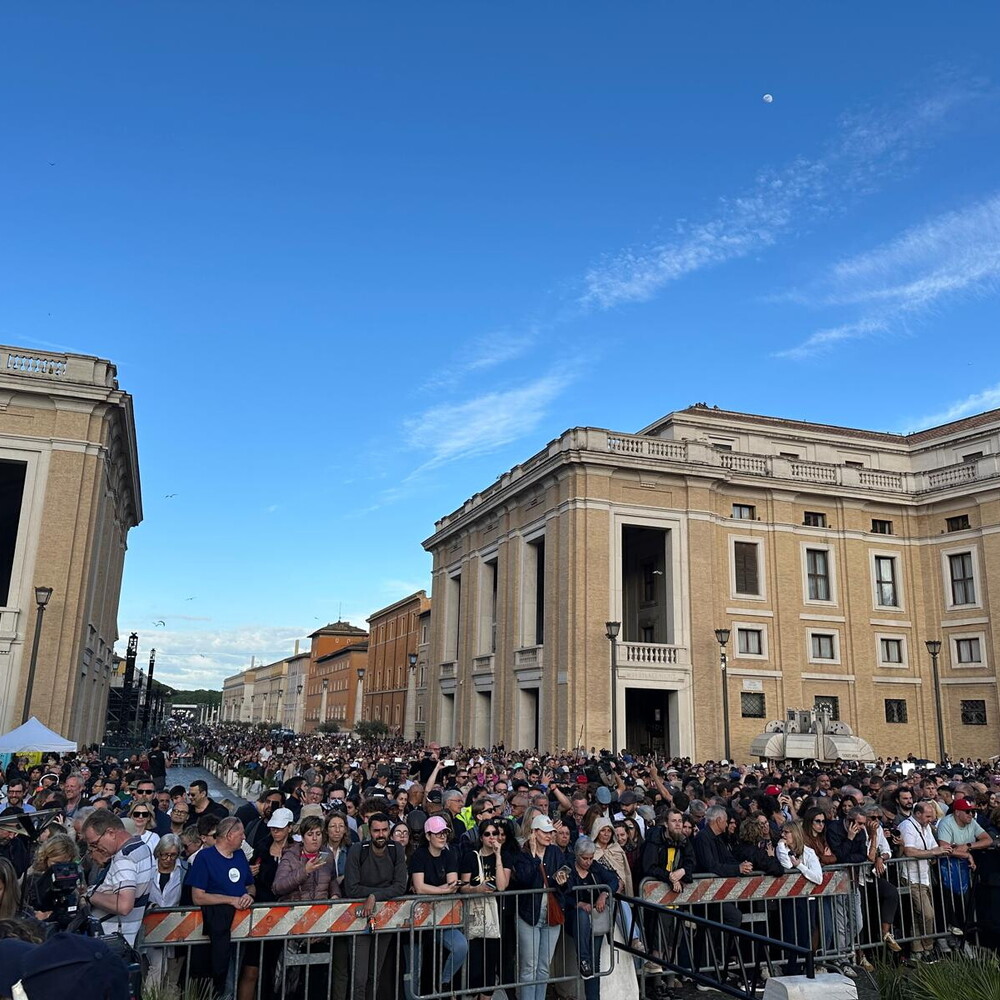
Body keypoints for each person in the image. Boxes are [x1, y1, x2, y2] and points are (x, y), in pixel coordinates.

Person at [185, 816, 255, 999]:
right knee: (218, 983)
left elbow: (250, 885)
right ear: (230, 835)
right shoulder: (205, 857)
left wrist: (249, 895)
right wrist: (230, 900)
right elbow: (198, 896)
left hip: (240, 929)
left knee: (231, 980)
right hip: (214, 931)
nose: (244, 837)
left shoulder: (240, 855)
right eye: (241, 833)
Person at [344, 812, 408, 1000]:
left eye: (384, 830)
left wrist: (374, 896)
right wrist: (373, 896)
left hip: (385, 917)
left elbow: (400, 886)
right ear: (369, 832)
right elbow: (351, 888)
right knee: (359, 977)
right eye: (376, 831)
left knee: (375, 975)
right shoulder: (358, 849)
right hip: (358, 917)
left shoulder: (396, 849)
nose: (380, 835)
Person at [407, 814, 468, 1000]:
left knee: (460, 946)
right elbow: (419, 887)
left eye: (445, 833)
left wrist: (435, 890)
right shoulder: (419, 856)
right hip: (421, 922)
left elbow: (451, 884)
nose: (442, 836)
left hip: (443, 918)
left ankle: (444, 982)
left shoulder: (449, 854)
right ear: (428, 836)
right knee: (417, 968)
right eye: (438, 833)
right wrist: (442, 890)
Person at [511, 814, 570, 1000]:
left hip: (551, 913)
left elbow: (566, 884)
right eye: (544, 832)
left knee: (544, 966)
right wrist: (535, 857)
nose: (549, 836)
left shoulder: (556, 853)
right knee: (529, 966)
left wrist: (562, 882)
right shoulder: (523, 854)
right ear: (534, 833)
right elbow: (524, 879)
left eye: (550, 832)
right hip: (529, 913)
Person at [80, 811, 154, 947]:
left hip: (110, 941)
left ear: (111, 833)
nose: (97, 849)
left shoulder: (124, 858)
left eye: (95, 843)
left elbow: (123, 905)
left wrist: (90, 894)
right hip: (123, 939)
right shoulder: (142, 847)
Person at [459, 817, 511, 1000]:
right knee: (475, 968)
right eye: (487, 834)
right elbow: (463, 886)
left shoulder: (504, 857)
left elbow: (502, 886)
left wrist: (498, 856)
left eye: (495, 834)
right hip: (475, 916)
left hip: (496, 919)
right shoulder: (471, 857)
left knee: (490, 968)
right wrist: (477, 889)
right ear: (481, 837)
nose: (491, 837)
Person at [562, 836, 619, 996]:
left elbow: (613, 880)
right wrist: (577, 904)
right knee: (581, 915)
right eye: (584, 858)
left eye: (591, 858)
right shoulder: (567, 867)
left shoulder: (595, 867)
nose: (588, 862)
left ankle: (593, 996)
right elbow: (560, 890)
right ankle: (583, 960)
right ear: (576, 855)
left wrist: (603, 894)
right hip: (575, 917)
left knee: (595, 963)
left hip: (595, 917)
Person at [936, 796, 992, 937]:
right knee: (953, 902)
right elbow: (944, 848)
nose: (971, 814)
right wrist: (967, 855)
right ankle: (953, 933)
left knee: (968, 902)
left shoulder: (972, 822)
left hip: (966, 868)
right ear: (957, 812)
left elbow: (988, 840)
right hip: (948, 868)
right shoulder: (946, 823)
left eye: (972, 811)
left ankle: (968, 935)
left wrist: (968, 846)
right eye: (967, 811)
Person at [899, 801, 945, 961]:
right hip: (912, 876)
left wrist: (936, 852)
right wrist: (932, 852)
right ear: (917, 814)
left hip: (925, 876)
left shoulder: (926, 827)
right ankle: (928, 946)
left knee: (919, 915)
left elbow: (933, 847)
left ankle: (918, 951)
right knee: (927, 914)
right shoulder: (907, 827)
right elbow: (909, 850)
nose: (930, 819)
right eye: (927, 816)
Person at [775, 821, 821, 975]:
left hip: (807, 900)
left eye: (786, 832)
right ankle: (791, 969)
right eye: (782, 832)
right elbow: (787, 866)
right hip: (789, 900)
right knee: (790, 935)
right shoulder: (781, 849)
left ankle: (806, 967)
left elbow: (818, 877)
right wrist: (781, 847)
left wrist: (800, 866)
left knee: (805, 935)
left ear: (794, 833)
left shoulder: (808, 852)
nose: (783, 835)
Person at [148, 835, 185, 989]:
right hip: (149, 927)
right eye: (165, 854)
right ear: (158, 852)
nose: (168, 859)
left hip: (176, 928)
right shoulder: (147, 869)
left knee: (172, 979)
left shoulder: (183, 870)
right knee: (155, 969)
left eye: (173, 855)